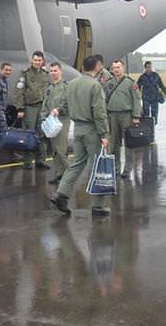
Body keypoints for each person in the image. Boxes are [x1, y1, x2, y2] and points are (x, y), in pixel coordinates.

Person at [50, 56, 111, 217]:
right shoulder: (95, 85)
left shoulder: (71, 84)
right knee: (96, 166)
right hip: (92, 129)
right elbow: (99, 113)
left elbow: (64, 105)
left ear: (83, 68)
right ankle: (98, 205)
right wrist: (104, 133)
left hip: (77, 128)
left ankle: (61, 194)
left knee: (77, 163)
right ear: (97, 67)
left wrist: (58, 110)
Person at [105, 60, 142, 179]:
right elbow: (104, 99)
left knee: (128, 143)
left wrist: (136, 116)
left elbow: (136, 100)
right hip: (112, 116)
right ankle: (116, 169)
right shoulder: (108, 83)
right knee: (114, 144)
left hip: (126, 115)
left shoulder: (130, 83)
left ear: (123, 68)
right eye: (114, 68)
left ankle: (127, 169)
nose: (116, 70)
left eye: (118, 67)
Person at [14, 50, 50, 170]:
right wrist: (20, 108)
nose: (37, 62)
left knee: (42, 133)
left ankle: (40, 160)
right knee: (28, 134)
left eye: (39, 60)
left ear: (42, 61)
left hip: (42, 107)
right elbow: (19, 91)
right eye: (35, 60)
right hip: (30, 107)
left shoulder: (45, 74)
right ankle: (27, 162)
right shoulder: (25, 73)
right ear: (31, 60)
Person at [41, 62, 70, 185]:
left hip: (62, 119)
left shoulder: (66, 86)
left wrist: (59, 109)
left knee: (61, 149)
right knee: (54, 150)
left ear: (60, 71)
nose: (53, 73)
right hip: (51, 121)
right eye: (51, 71)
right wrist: (43, 117)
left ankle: (69, 175)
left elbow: (67, 102)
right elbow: (45, 103)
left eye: (55, 70)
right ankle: (59, 173)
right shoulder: (49, 88)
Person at [138, 61, 166, 125]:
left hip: (155, 97)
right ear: (145, 68)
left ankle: (154, 124)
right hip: (146, 97)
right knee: (146, 112)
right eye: (148, 67)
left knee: (155, 112)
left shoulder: (156, 75)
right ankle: (146, 125)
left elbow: (161, 84)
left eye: (150, 67)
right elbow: (138, 87)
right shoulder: (142, 77)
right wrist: (137, 95)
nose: (149, 68)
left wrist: (165, 91)